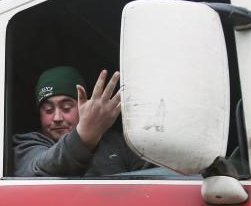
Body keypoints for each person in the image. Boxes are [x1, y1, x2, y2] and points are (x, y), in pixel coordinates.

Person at [13, 65, 151, 177]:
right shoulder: (25, 145)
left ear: (83, 107)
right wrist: (84, 137)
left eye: (66, 108)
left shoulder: (116, 142)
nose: (57, 118)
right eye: (48, 110)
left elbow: (155, 175)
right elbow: (40, 168)